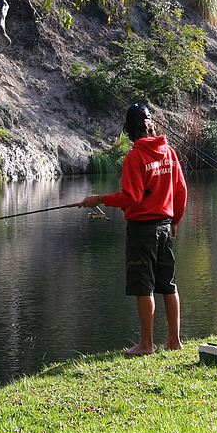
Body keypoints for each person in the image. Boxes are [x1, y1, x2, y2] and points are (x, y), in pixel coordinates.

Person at [76, 104, 188, 355]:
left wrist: (100, 198)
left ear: (128, 129)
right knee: (168, 284)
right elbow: (181, 191)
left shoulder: (135, 157)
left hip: (142, 230)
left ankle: (147, 345)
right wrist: (175, 221)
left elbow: (132, 197)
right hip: (164, 227)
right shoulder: (169, 152)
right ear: (151, 125)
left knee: (144, 286)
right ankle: (174, 340)